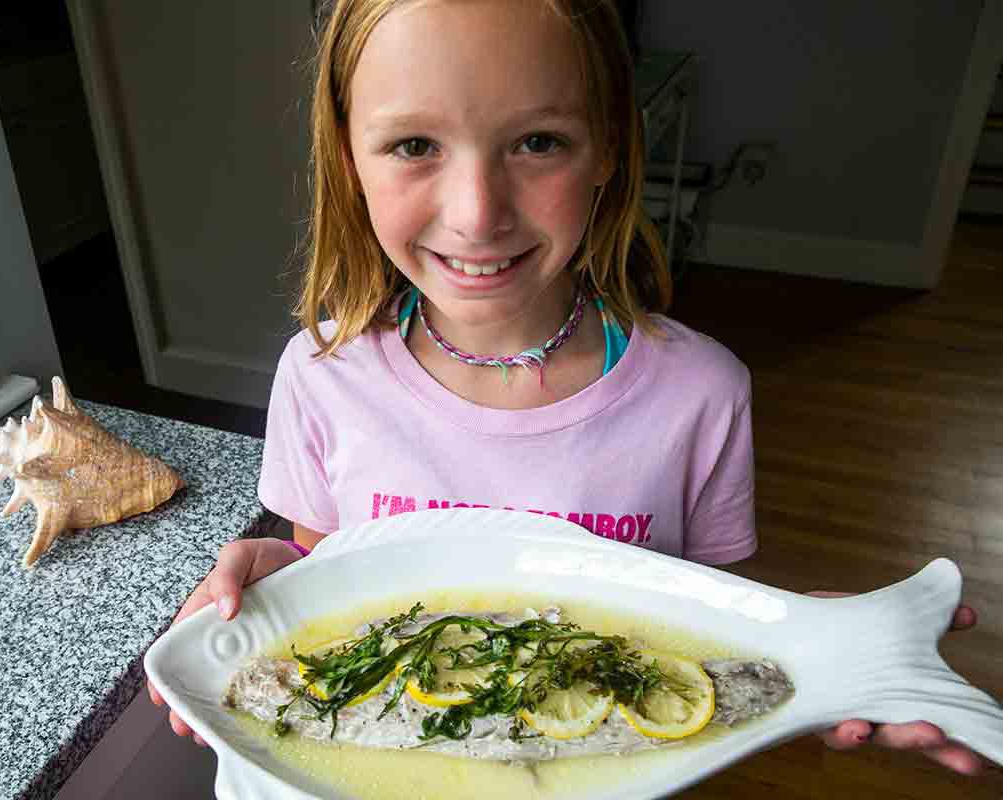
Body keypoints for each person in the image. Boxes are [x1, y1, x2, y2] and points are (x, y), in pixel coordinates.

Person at [148, 0, 984, 776]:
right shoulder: (320, 376)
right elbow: (331, 569)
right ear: (345, 152)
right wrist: (277, 575)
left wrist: (830, 644)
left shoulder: (701, 396)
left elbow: (705, 622)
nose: (478, 214)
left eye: (538, 142)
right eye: (414, 145)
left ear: (611, 143)